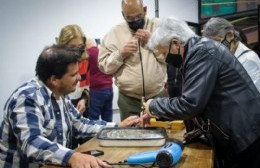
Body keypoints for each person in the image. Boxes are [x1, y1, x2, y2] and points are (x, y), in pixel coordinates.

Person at [142, 16, 260, 168]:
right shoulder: (196, 52)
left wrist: (153, 106)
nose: (165, 59)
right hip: (240, 133)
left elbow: (190, 104)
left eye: (164, 53)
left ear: (176, 43)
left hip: (246, 136)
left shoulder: (202, 52)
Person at [0, 45, 140, 168]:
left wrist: (117, 127)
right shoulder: (26, 98)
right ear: (54, 79)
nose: (79, 78)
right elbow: (32, 141)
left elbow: (80, 125)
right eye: (73, 74)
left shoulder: (60, 95)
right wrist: (71, 157)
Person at [98, 0, 167, 120]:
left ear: (145, 10)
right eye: (129, 18)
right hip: (128, 100)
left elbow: (172, 57)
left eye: (138, 16)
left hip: (158, 97)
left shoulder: (159, 28)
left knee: (162, 135)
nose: (135, 20)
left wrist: (153, 42)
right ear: (123, 15)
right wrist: (120, 54)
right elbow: (104, 67)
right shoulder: (114, 33)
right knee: (130, 136)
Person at [203, 17, 260, 92]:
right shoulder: (226, 57)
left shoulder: (249, 59)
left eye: (217, 41)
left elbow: (252, 95)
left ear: (230, 35)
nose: (213, 47)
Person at [57, 24, 90, 117]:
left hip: (80, 104)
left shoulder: (84, 61)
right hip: (63, 104)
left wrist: (83, 100)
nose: (77, 50)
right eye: (72, 46)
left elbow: (87, 85)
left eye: (80, 46)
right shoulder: (57, 65)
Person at [87, 38, 114, 122]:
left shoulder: (88, 53)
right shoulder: (102, 52)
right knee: (108, 116)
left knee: (94, 117)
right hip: (109, 88)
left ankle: (95, 135)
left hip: (97, 90)